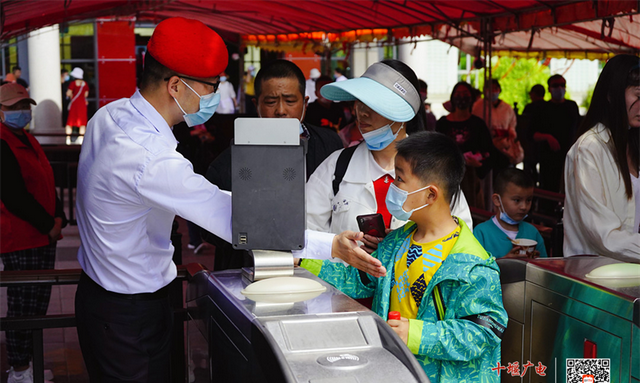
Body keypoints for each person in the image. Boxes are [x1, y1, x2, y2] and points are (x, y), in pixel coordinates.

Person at [299, 131, 507, 382]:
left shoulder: (473, 264)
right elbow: (361, 279)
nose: (391, 185)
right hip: (396, 371)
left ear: (431, 194)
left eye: (399, 179)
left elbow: (485, 331)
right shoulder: (396, 241)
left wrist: (416, 335)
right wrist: (302, 264)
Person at [306, 61, 473, 260]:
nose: (362, 113)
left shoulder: (435, 169)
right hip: (342, 291)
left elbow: (460, 241)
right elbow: (304, 234)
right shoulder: (336, 167)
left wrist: (405, 250)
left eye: (373, 104)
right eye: (359, 102)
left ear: (401, 113)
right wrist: (335, 247)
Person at [204, 59, 344, 271]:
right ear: (256, 104)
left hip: (316, 267)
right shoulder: (227, 163)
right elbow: (209, 230)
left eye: (290, 101)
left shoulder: (330, 144)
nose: (281, 110)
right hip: (249, 270)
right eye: (270, 102)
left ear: (305, 103)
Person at [0, 83, 66, 383]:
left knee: (36, 303)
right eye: (14, 107)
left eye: (25, 105)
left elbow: (43, 178)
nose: (22, 112)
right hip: (21, 238)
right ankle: (18, 370)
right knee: (22, 306)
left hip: (40, 235)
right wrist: (47, 224)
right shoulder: (3, 142)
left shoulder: (24, 137)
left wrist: (58, 217)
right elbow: (13, 195)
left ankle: (26, 364)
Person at [564, 54, 640, 261]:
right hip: (594, 278)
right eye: (638, 96)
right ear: (611, 95)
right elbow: (604, 236)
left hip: (629, 273)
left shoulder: (633, 144)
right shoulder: (589, 149)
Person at [436, 81, 494, 209]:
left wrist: (479, 164)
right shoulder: (442, 123)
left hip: (471, 180)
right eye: (458, 94)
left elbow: (489, 152)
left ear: (472, 98)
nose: (461, 97)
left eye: (465, 94)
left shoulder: (478, 124)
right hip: (447, 177)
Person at [473, 168, 547, 258]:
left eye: (528, 200)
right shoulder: (482, 233)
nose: (524, 206)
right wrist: (506, 262)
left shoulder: (532, 233)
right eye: (517, 200)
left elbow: (544, 267)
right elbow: (476, 268)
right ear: (497, 200)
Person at [532, 74, 580, 193]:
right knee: (549, 189)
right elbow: (532, 134)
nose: (559, 88)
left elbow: (579, 130)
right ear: (549, 88)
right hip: (549, 159)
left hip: (570, 157)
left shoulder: (572, 106)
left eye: (562, 85)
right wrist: (547, 137)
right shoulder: (542, 108)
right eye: (555, 85)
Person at [520, 84, 546, 182]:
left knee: (529, 171)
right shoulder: (547, 107)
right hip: (543, 146)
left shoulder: (530, 107)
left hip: (530, 145)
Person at [65, 67, 89, 144]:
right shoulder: (85, 84)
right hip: (82, 105)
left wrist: (72, 95)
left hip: (75, 104)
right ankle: (81, 138)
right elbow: (86, 94)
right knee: (82, 122)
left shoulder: (73, 83)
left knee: (70, 122)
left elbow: (68, 93)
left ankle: (68, 138)